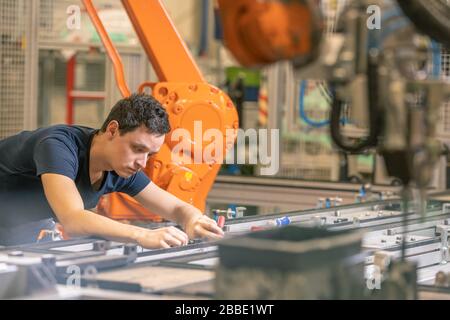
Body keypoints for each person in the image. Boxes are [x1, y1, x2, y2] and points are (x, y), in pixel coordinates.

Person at [0, 93, 224, 247]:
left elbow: (175, 207)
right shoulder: (58, 146)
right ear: (113, 129)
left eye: (149, 154)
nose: (142, 162)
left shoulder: (119, 168)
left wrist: (193, 220)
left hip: (19, 226)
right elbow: (73, 219)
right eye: (138, 149)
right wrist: (142, 234)